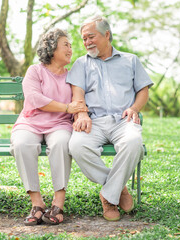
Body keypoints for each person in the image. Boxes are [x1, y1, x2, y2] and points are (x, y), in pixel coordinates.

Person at [66, 15, 153, 221]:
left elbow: (143, 91)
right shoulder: (81, 64)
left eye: (91, 37)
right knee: (77, 146)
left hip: (123, 120)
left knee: (134, 143)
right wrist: (82, 113)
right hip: (93, 121)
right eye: (84, 39)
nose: (87, 43)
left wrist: (134, 108)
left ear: (106, 35)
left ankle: (108, 197)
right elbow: (77, 95)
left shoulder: (131, 60)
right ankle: (117, 187)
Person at [10, 29, 88, 226]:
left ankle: (58, 204)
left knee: (62, 143)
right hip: (31, 122)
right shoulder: (35, 71)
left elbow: (78, 102)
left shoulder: (71, 77)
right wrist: (66, 107)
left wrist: (78, 111)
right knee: (21, 144)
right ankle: (37, 204)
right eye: (66, 45)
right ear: (52, 49)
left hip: (60, 124)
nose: (70, 49)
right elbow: (34, 98)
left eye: (70, 45)